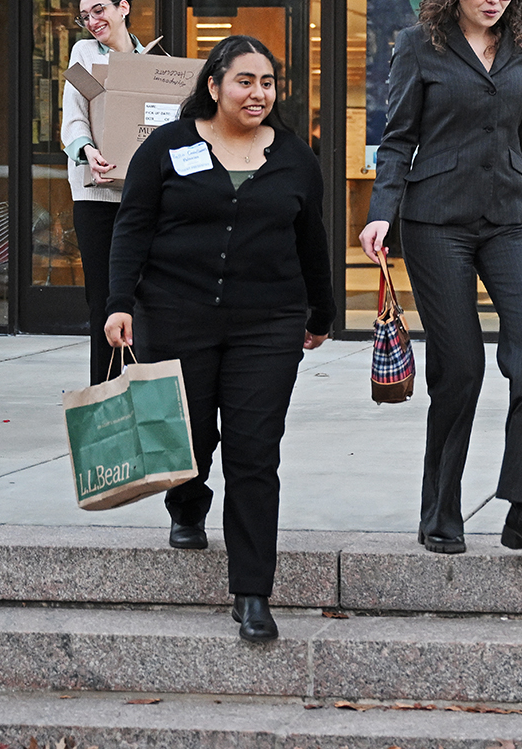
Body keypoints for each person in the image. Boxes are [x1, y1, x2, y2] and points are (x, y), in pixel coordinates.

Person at [104, 35, 333, 643]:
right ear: (213, 85)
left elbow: (312, 239)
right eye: (245, 81)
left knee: (255, 454)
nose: (258, 93)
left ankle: (253, 592)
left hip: (269, 323)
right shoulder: (168, 146)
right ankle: (186, 501)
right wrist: (118, 302)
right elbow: (133, 226)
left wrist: (322, 313)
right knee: (190, 437)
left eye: (267, 83)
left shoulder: (293, 157)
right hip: (176, 313)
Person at [357, 0, 522, 562]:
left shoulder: (520, 51)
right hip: (435, 222)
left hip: (506, 219)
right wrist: (381, 215)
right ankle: (441, 509)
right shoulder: (419, 47)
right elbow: (397, 139)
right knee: (462, 370)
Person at [60, 0, 148, 386]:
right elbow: (74, 115)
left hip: (140, 196)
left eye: (99, 11)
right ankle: (107, 390)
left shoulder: (153, 61)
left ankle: (146, 385)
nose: (92, 21)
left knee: (142, 297)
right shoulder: (84, 55)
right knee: (103, 299)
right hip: (95, 193)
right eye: (85, 15)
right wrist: (87, 150)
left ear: (123, 8)